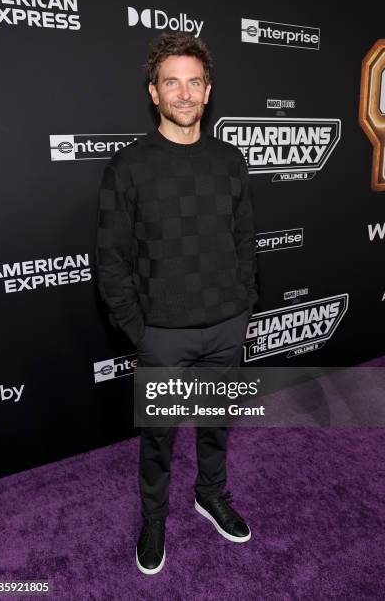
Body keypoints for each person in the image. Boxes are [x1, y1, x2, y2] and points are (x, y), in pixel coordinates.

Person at [95, 31, 258, 575]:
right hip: (162, 334)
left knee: (216, 424)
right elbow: (111, 260)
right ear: (154, 91)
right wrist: (141, 333)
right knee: (158, 439)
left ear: (208, 91)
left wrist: (243, 306)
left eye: (194, 83)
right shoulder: (128, 167)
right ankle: (154, 517)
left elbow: (244, 241)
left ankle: (210, 494)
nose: (184, 94)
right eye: (172, 83)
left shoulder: (231, 162)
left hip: (225, 327)